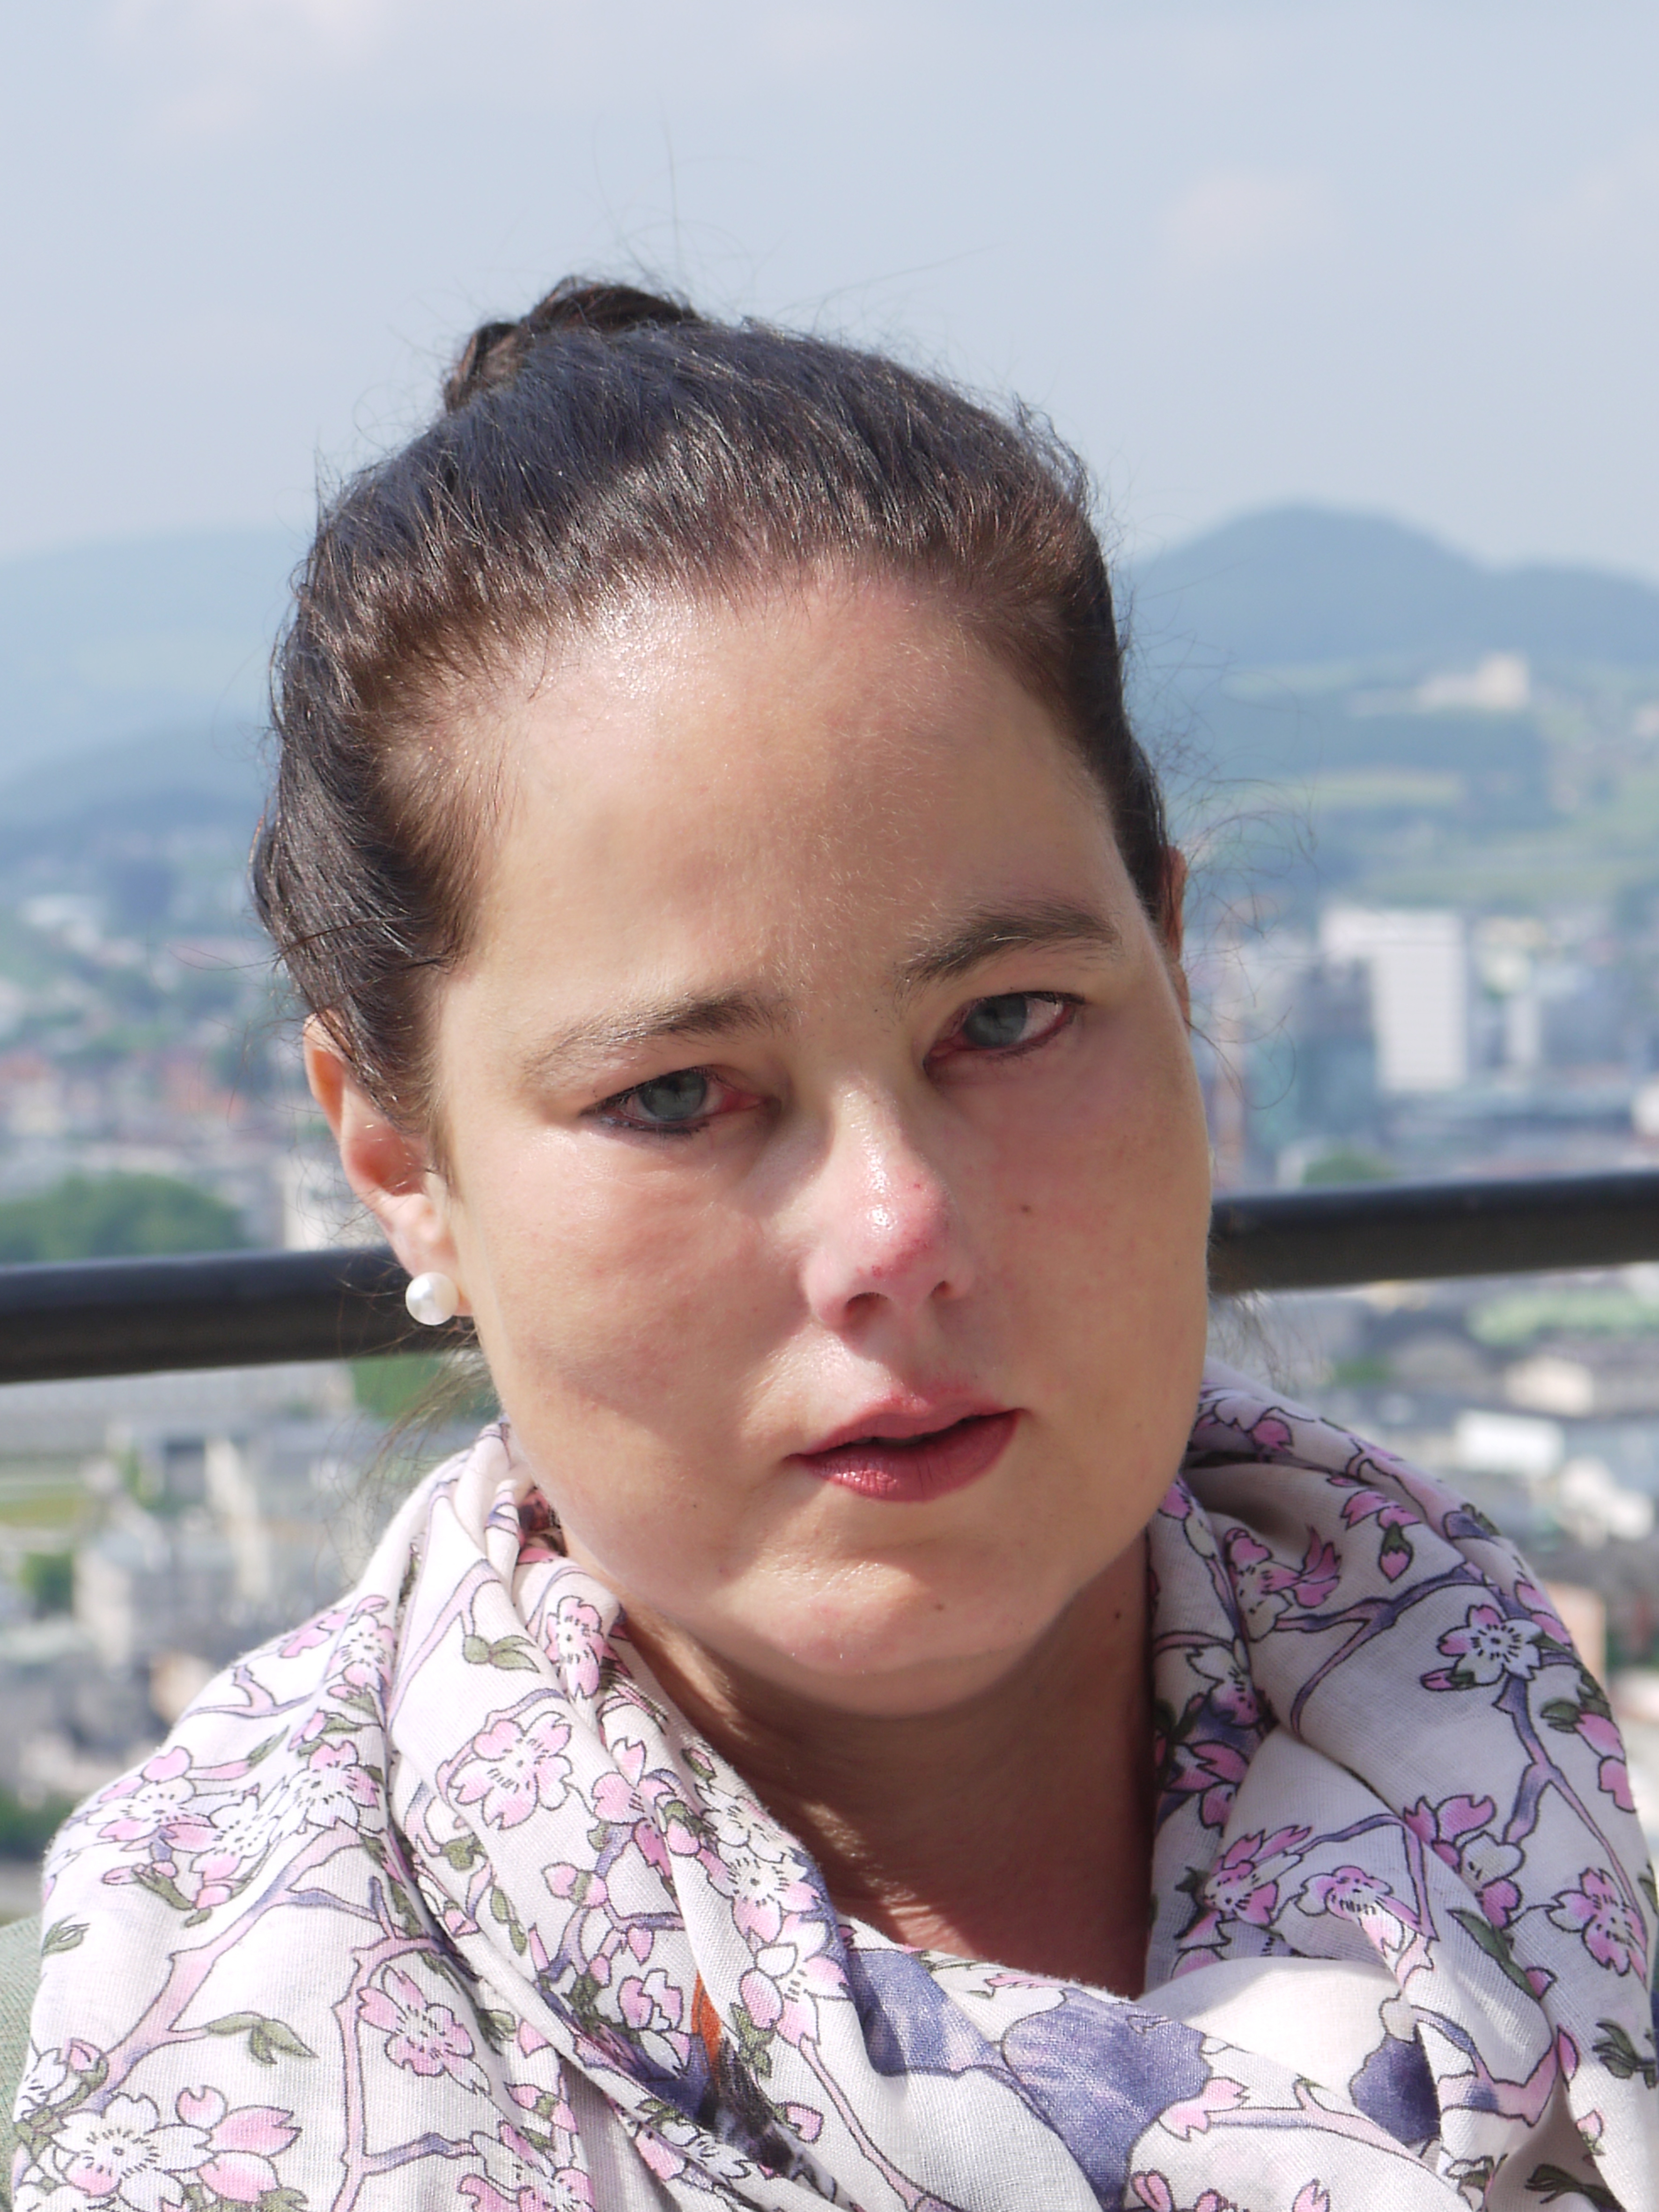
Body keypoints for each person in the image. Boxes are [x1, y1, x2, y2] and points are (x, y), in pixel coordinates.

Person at [9, 283, 1655, 2212]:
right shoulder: (240, 2047)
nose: (897, 1230)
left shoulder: (1501, 1741)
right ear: (398, 1157)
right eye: (677, 1093)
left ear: (1175, 972)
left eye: (1010, 1020)